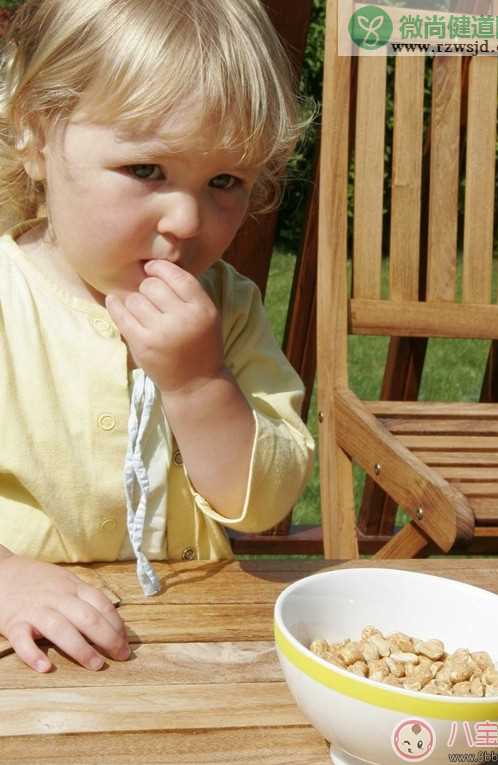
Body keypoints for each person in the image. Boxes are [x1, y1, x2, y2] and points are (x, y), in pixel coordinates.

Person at [0, 0, 314, 674]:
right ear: (34, 136)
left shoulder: (226, 308)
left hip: (194, 637)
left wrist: (199, 384)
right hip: (28, 656)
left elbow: (265, 501)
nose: (184, 218)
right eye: (147, 171)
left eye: (224, 181)